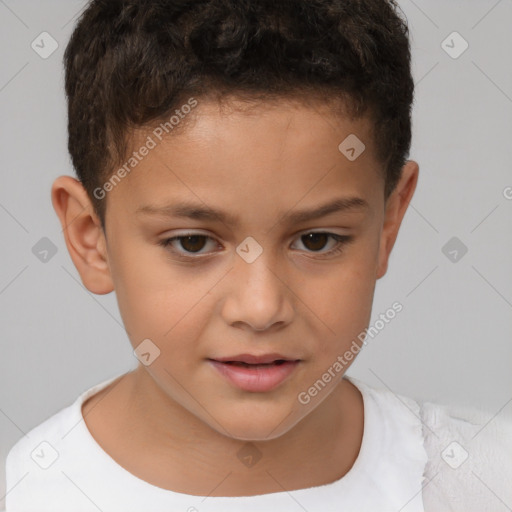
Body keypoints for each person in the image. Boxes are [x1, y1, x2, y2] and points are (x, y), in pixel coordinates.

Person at [5, 0, 512, 510]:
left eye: (317, 240)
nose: (261, 308)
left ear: (388, 222)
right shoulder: (31, 493)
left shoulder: (483, 482)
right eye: (193, 242)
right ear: (90, 238)